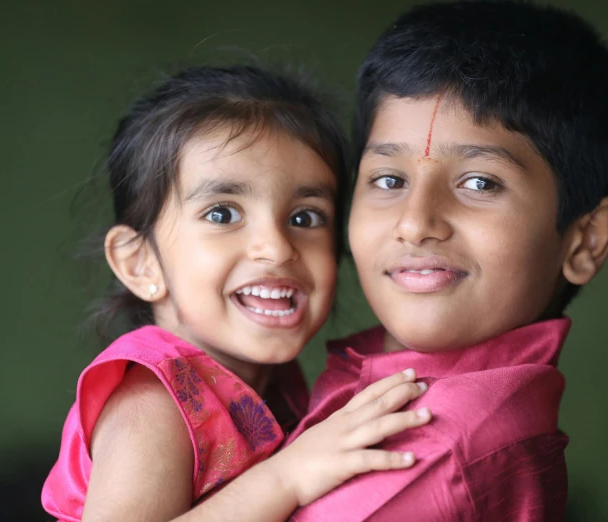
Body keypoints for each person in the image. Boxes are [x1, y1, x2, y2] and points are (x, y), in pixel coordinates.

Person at [288, 1, 608, 520]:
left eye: (480, 183)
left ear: (586, 240)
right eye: (389, 179)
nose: (415, 221)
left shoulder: (428, 459)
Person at [42, 64, 432, 522]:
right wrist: (285, 478)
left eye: (305, 218)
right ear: (140, 263)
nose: (277, 248)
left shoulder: (271, 387)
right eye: (223, 214)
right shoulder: (154, 404)